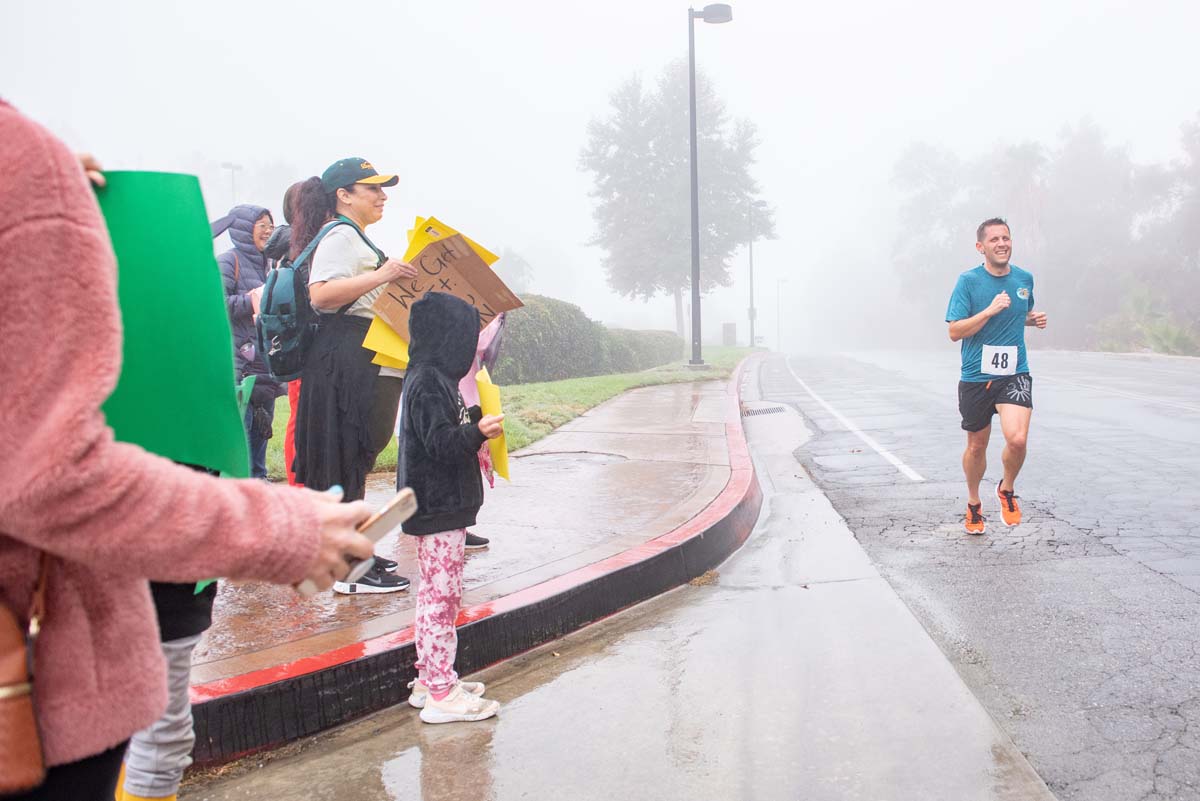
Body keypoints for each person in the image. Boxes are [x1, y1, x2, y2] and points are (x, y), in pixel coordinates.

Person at [0, 100, 376, 800]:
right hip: (50, 667)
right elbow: (48, 471)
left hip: (139, 547)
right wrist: (281, 530)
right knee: (158, 735)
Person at [290, 158, 418, 594]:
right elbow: (321, 296)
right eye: (372, 188)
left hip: (359, 353)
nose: (382, 196)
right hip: (344, 356)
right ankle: (348, 569)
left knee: (356, 454)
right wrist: (383, 275)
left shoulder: (356, 238)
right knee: (346, 454)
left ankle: (353, 555)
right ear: (344, 195)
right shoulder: (341, 235)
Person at [398, 292, 504, 723]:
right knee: (442, 597)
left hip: (439, 504)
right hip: (438, 504)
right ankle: (442, 691)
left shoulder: (432, 377)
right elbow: (440, 444)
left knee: (434, 593)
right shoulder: (427, 382)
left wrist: (473, 418)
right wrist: (475, 432)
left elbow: (440, 430)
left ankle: (430, 679)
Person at [946, 217, 1048, 534]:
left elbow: (1017, 314)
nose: (1002, 244)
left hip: (1014, 373)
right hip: (976, 377)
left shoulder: (1024, 279)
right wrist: (988, 310)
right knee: (977, 447)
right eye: (994, 240)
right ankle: (974, 504)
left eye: (1006, 238)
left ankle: (1006, 489)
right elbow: (954, 330)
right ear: (981, 247)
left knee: (1017, 439)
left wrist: (1032, 320)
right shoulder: (968, 282)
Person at [213, 204, 283, 478]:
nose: (268, 231)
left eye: (270, 225)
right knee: (238, 448)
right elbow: (215, 304)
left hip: (265, 367)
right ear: (243, 229)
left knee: (260, 444)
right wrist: (254, 299)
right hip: (238, 368)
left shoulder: (271, 265)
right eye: (261, 225)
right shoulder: (229, 261)